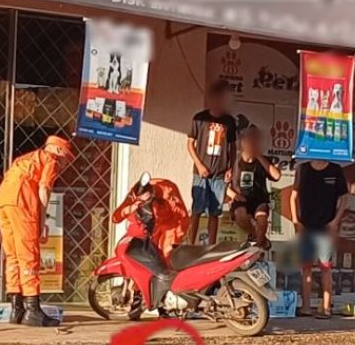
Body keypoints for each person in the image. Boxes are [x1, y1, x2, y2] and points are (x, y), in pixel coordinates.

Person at [0, 135, 73, 327]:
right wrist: (42, 218)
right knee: (29, 255)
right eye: (66, 157)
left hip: (2, 202)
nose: (65, 162)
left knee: (12, 256)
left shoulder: (24, 159)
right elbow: (44, 189)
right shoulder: (50, 160)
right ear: (58, 150)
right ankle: (33, 311)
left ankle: (16, 309)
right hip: (23, 204)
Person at [290, 159, 350, 319]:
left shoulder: (335, 170)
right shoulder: (302, 169)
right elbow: (293, 196)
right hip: (306, 226)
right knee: (306, 267)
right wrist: (296, 222)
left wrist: (335, 221)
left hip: (326, 227)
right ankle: (306, 307)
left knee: (325, 266)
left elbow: (345, 198)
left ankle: (325, 307)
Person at [188, 80, 237, 246]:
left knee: (214, 212)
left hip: (220, 173)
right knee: (197, 210)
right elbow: (189, 144)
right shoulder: (200, 119)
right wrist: (199, 165)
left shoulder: (229, 121)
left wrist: (231, 168)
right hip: (201, 173)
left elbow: (232, 147)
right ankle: (190, 243)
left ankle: (211, 246)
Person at [113, 176, 190, 262]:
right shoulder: (134, 194)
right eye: (140, 201)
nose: (143, 204)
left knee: (166, 256)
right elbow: (116, 218)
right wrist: (130, 208)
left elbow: (182, 218)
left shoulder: (167, 190)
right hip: (147, 230)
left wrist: (175, 240)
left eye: (146, 201)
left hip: (169, 227)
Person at [230, 125, 282, 249]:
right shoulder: (234, 161)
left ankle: (258, 248)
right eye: (250, 140)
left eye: (255, 140)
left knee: (262, 219)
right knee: (240, 214)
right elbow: (224, 183)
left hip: (259, 199)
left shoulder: (264, 160)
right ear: (243, 143)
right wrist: (233, 195)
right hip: (241, 198)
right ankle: (259, 238)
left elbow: (277, 176)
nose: (252, 144)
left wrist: (259, 156)